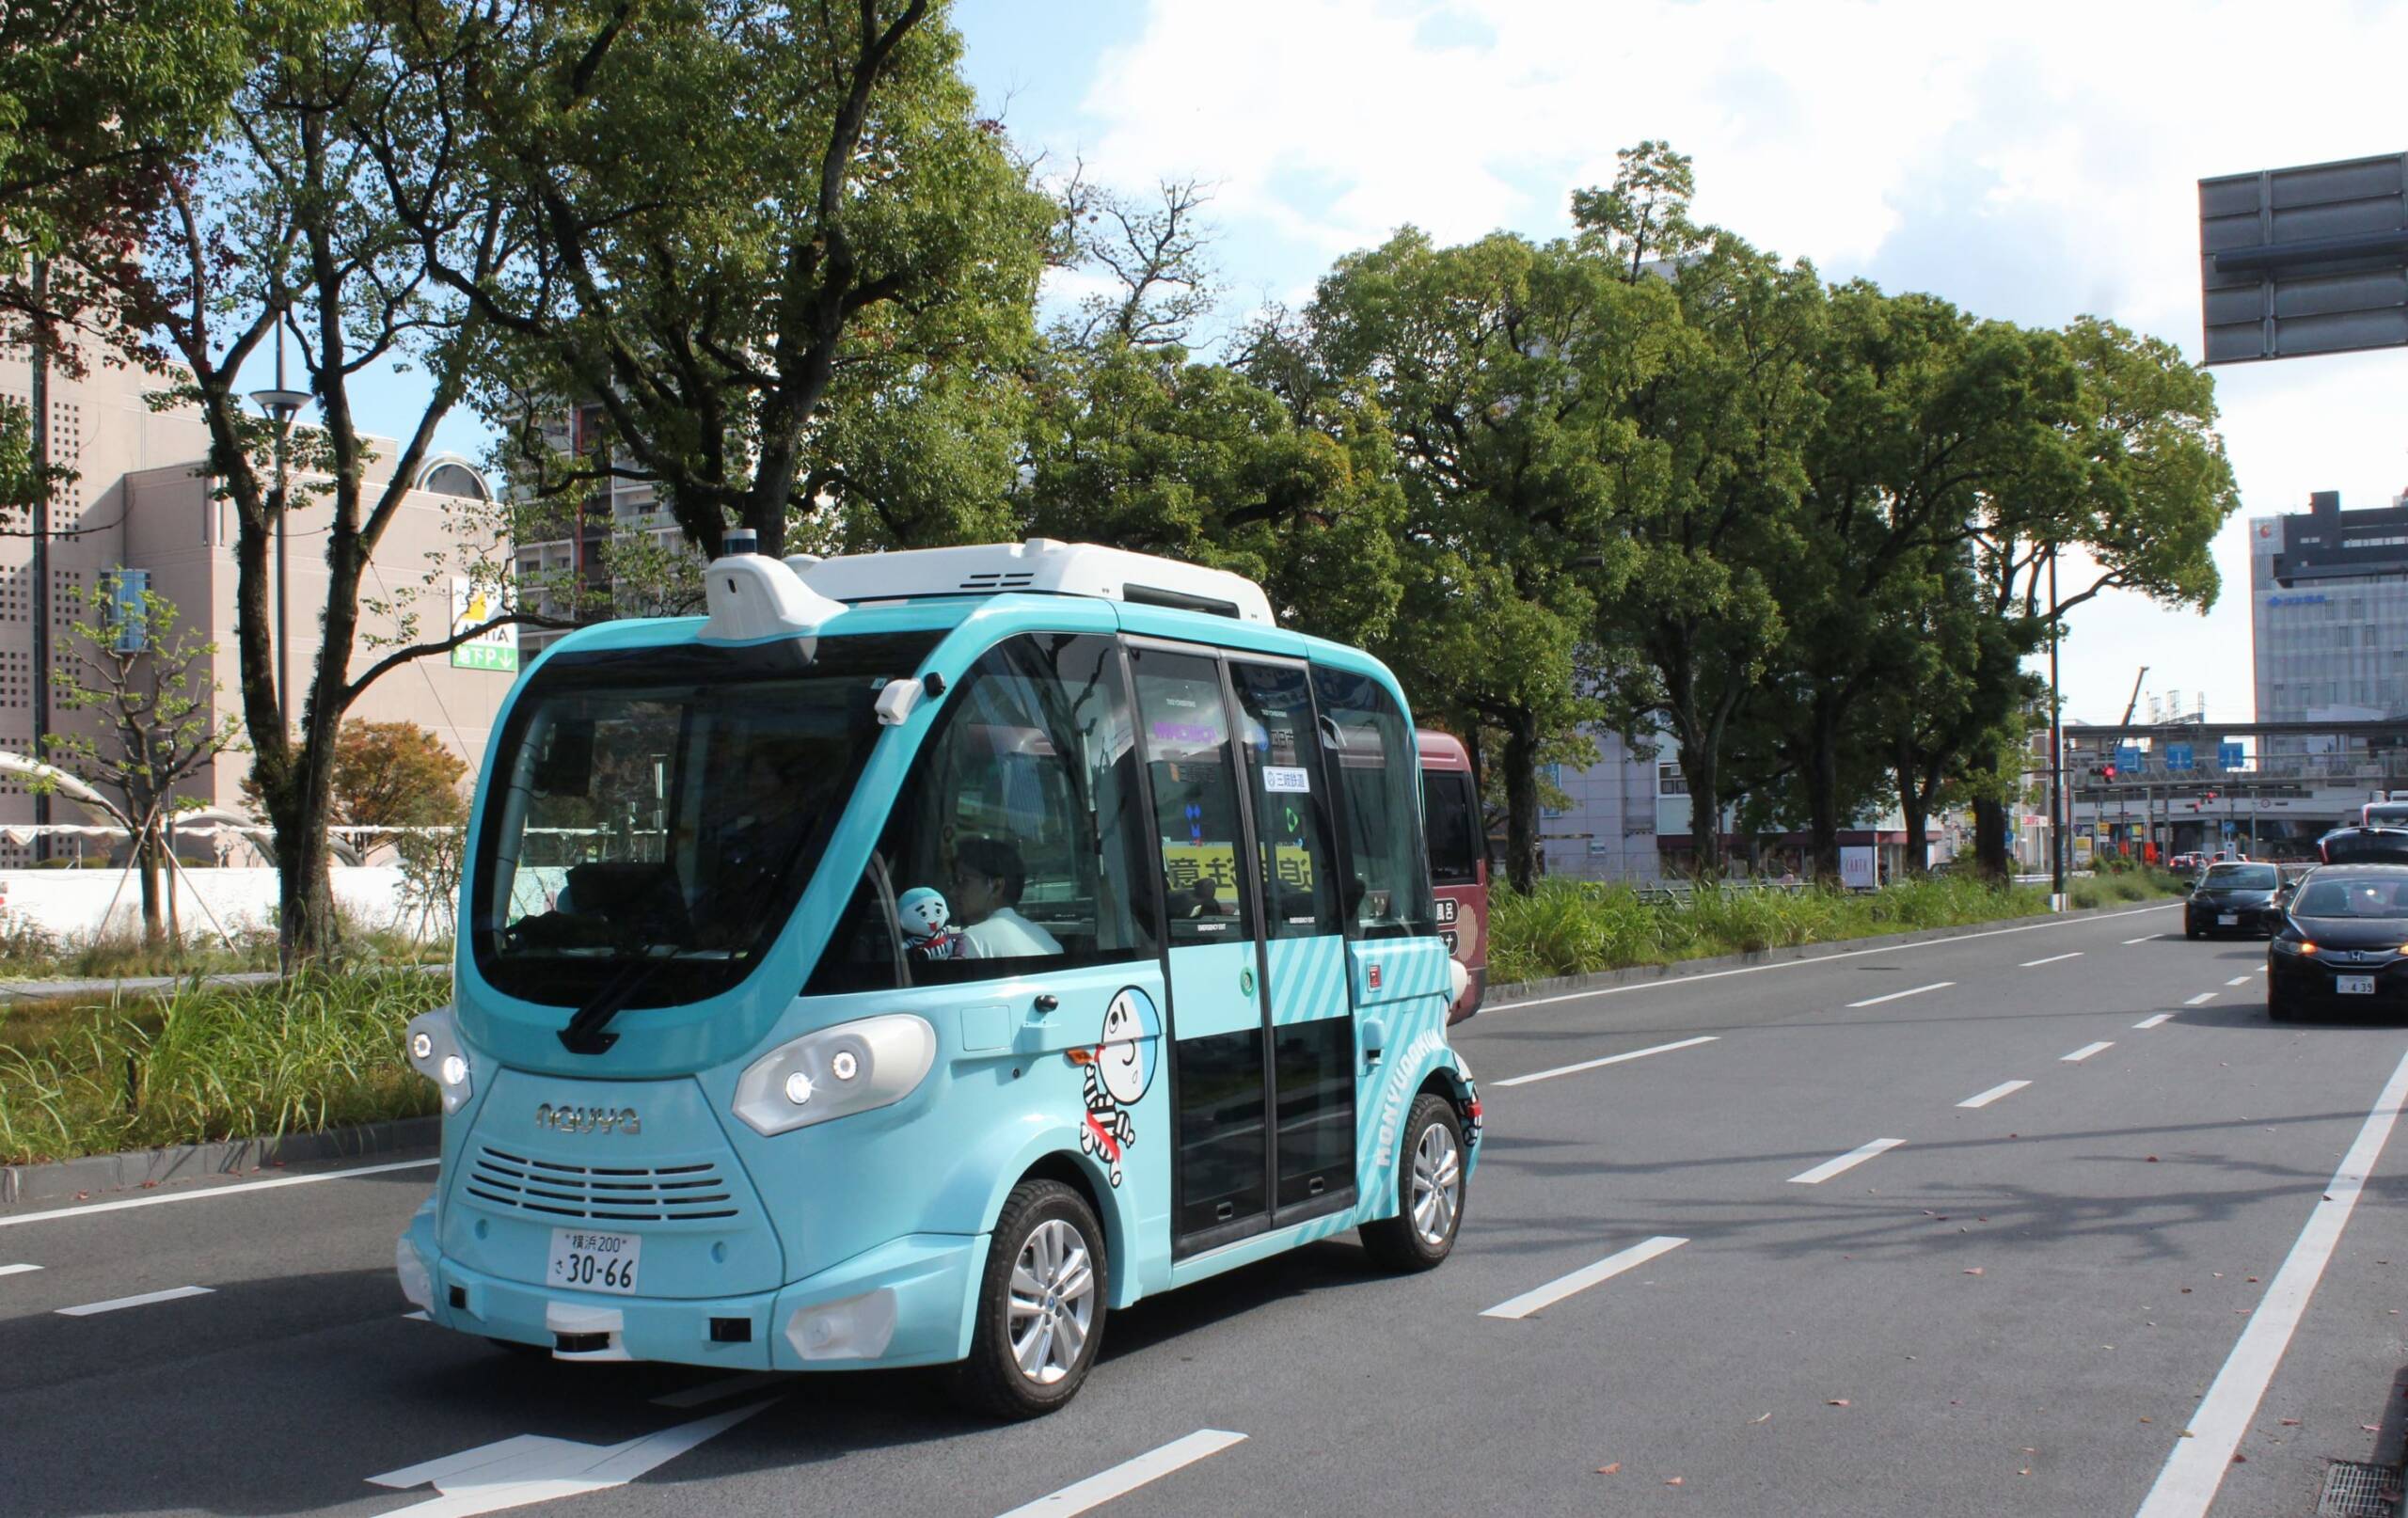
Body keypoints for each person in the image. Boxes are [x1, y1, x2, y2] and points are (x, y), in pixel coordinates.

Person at [951, 836, 1063, 958]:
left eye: (963, 880)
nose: (953, 891)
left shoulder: (970, 942)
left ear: (996, 887)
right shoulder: (1047, 941)